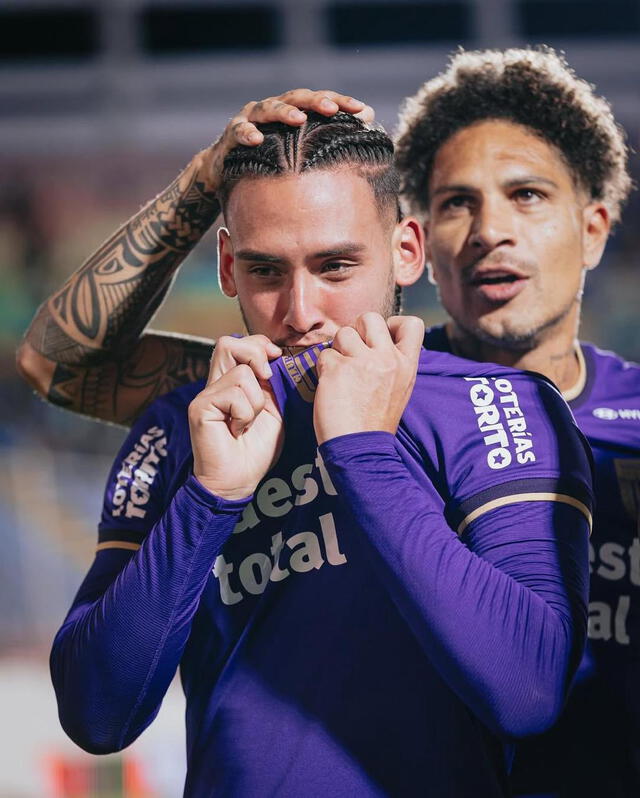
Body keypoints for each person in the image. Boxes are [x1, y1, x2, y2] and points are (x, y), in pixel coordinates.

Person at [41, 111, 592, 796]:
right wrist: (210, 498)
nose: (301, 311)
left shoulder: (499, 404)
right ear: (226, 267)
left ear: (407, 249)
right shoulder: (182, 426)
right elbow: (98, 715)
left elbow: (529, 692)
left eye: (336, 265)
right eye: (266, 270)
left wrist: (363, 454)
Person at [394, 47, 640, 798]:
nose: (488, 230)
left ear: (593, 228)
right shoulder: (364, 392)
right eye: (456, 202)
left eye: (526, 194)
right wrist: (204, 185)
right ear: (420, 244)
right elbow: (61, 367)